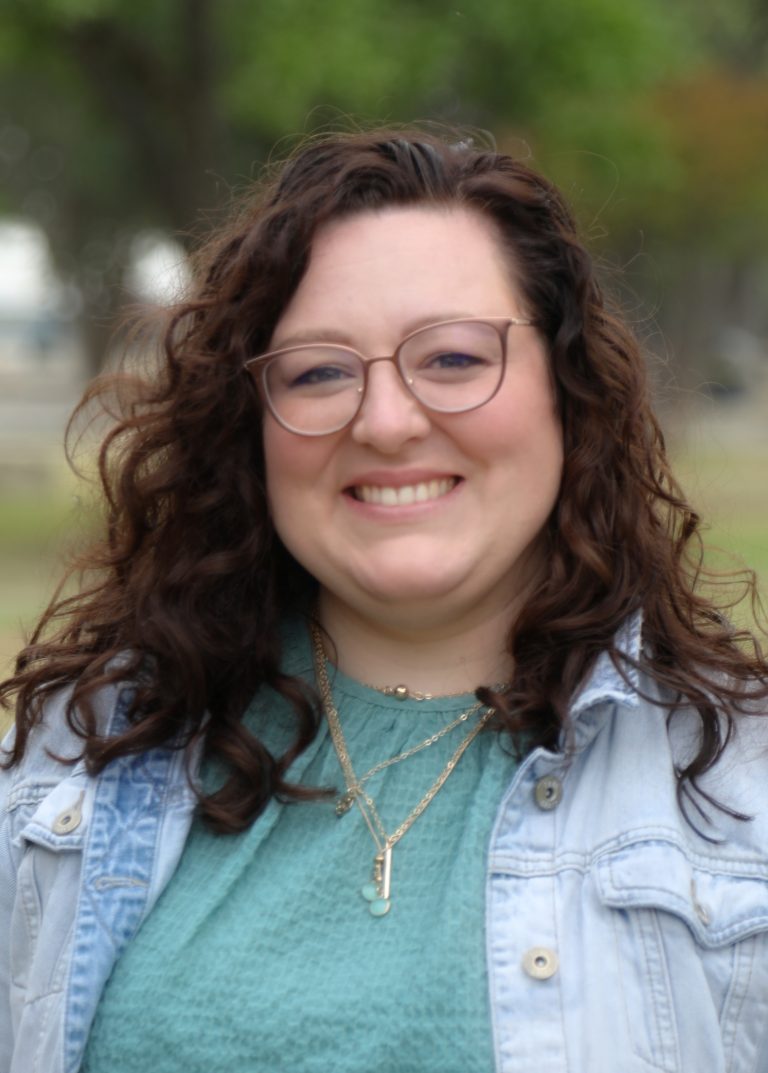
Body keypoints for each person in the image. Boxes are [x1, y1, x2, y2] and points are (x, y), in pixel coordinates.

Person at [1, 129, 767, 1073]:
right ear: (251, 430)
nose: (387, 420)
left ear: (568, 390)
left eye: (451, 358)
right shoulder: (74, 765)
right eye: (318, 371)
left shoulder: (741, 795)